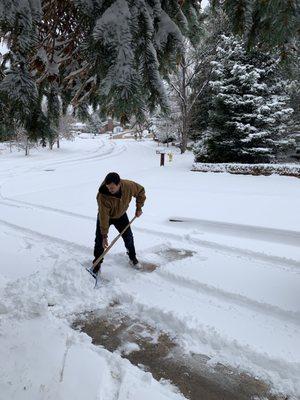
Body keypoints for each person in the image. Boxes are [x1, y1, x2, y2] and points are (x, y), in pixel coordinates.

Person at [92, 172, 146, 275]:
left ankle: (133, 258)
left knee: (128, 237)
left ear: (119, 184)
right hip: (106, 216)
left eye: (112, 188)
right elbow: (104, 216)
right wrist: (104, 236)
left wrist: (139, 208)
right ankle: (97, 264)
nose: (109, 190)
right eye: (108, 187)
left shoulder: (128, 186)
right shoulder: (102, 195)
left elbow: (141, 191)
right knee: (99, 241)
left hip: (121, 215)